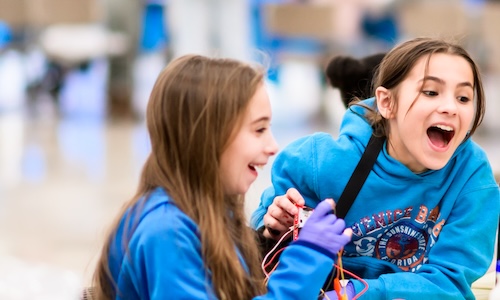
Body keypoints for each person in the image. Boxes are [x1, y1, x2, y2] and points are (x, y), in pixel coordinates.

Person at [251, 37, 500, 299]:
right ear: (386, 103)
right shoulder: (320, 162)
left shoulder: (473, 181)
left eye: (463, 97)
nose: (450, 107)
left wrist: (352, 293)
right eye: (431, 92)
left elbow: (450, 282)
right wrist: (275, 226)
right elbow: (264, 241)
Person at [90, 54, 353, 299]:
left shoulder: (203, 213)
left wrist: (269, 240)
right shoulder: (167, 232)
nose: (273, 146)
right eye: (259, 129)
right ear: (207, 137)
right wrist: (307, 260)